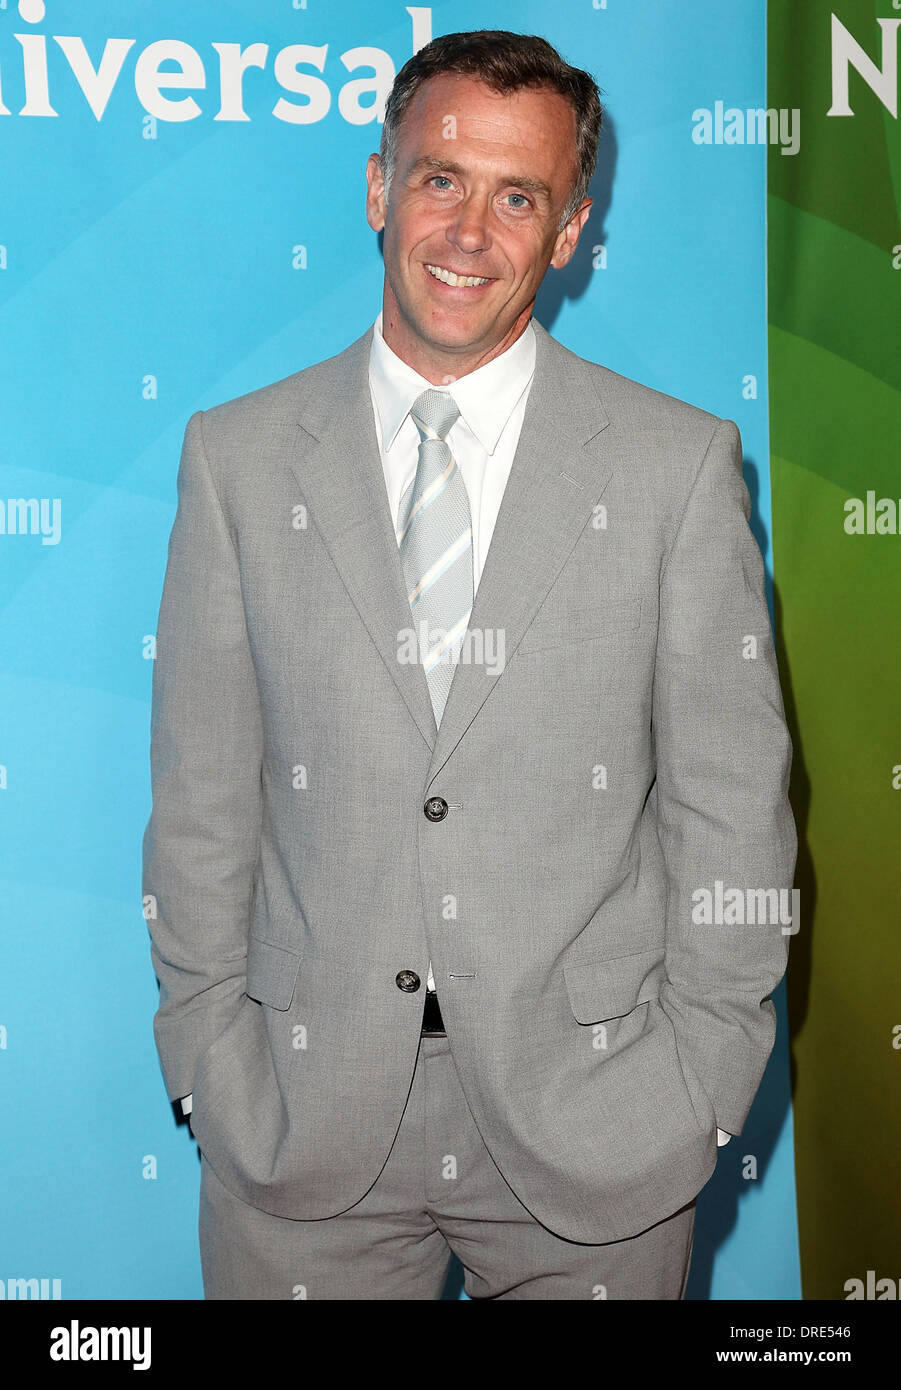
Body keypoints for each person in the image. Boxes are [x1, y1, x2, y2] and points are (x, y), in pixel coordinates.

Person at [142, 29, 797, 1300]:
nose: (468, 232)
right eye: (441, 178)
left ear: (567, 233)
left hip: (597, 1134)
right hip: (299, 1121)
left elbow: (735, 817)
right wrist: (209, 1062)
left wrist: (697, 1088)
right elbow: (202, 805)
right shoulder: (237, 458)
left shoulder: (676, 470)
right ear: (381, 186)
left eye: (519, 198)